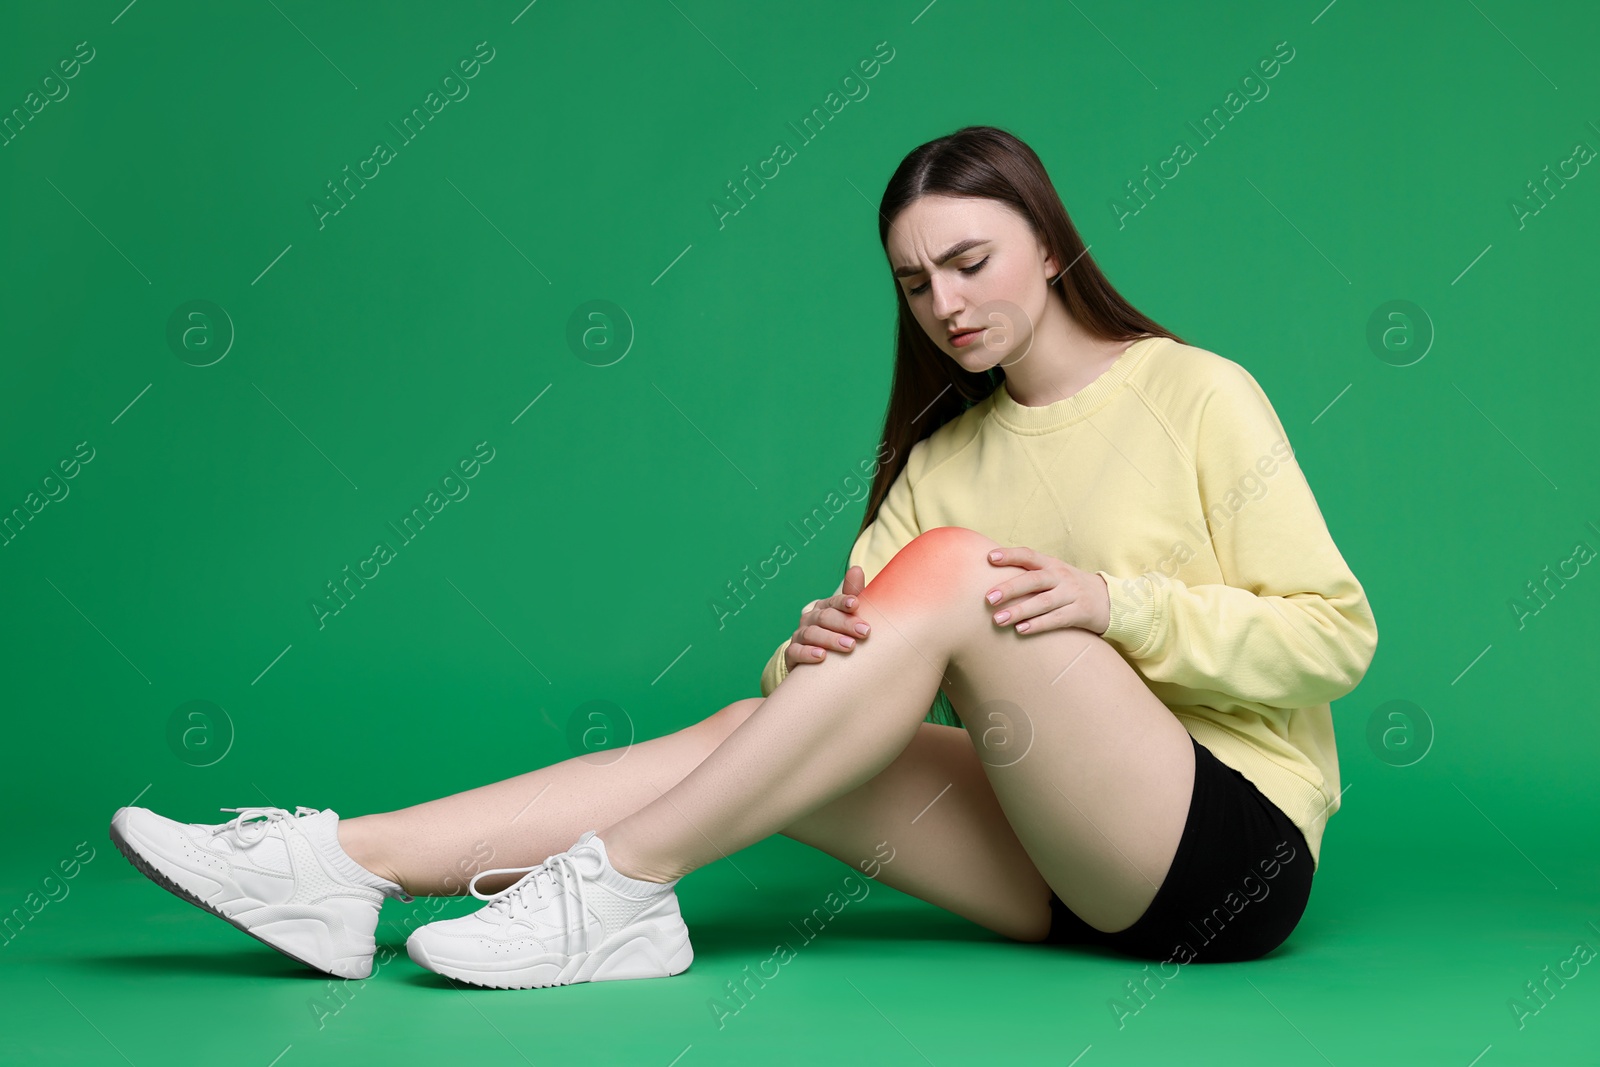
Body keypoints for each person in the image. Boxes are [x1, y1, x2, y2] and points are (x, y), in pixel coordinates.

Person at [108, 125, 1378, 988]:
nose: (945, 301)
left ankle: (619, 886)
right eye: (915, 280)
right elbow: (811, 695)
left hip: (1227, 855)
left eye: (971, 259)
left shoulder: (1194, 392)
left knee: (946, 568)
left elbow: (1335, 635)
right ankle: (343, 867)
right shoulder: (946, 455)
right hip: (1058, 871)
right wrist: (809, 644)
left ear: (1050, 245)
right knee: (748, 720)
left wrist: (1113, 605)